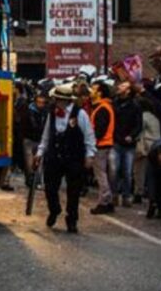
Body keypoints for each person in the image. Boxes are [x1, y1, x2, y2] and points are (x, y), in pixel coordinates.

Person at [34, 84, 96, 233]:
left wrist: (90, 155)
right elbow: (46, 135)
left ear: (67, 100)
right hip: (54, 156)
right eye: (57, 99)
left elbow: (89, 136)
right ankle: (54, 210)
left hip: (74, 157)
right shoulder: (52, 113)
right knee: (50, 187)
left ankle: (72, 219)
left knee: (73, 191)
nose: (58, 102)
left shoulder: (80, 114)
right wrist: (40, 152)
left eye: (60, 99)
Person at [111, 82, 143, 207]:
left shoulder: (135, 105)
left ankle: (126, 195)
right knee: (113, 170)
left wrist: (132, 135)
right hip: (116, 141)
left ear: (128, 91)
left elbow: (138, 124)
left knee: (127, 171)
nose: (119, 87)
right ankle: (114, 194)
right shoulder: (114, 103)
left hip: (129, 143)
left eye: (122, 86)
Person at [88, 81, 116, 214]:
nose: (90, 91)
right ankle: (108, 201)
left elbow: (99, 131)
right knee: (103, 174)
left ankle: (104, 201)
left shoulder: (102, 108)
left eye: (93, 89)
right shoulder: (103, 107)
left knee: (100, 175)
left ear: (100, 93)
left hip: (101, 146)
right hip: (104, 144)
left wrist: (92, 144)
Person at [21, 90, 49, 188]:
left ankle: (36, 181)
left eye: (42, 103)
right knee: (29, 162)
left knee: (39, 161)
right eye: (39, 102)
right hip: (29, 138)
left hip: (39, 139)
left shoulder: (46, 112)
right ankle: (31, 180)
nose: (41, 105)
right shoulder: (29, 111)